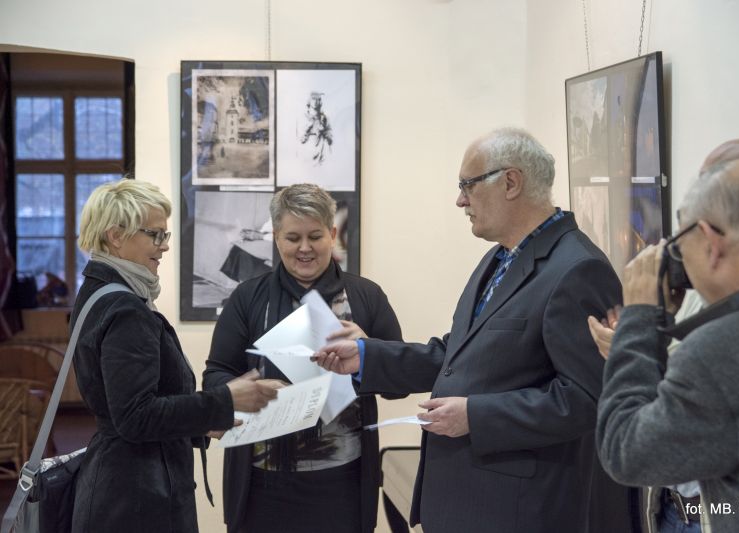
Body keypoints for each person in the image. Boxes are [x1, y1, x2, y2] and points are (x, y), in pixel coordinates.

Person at [314, 127, 635, 533]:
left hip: (515, 512)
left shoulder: (577, 269)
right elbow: (457, 356)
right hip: (466, 501)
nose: (460, 200)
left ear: (511, 182)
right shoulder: (500, 258)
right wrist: (367, 357)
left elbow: (588, 400)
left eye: (468, 185)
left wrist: (477, 416)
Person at [587, 137, 739, 533]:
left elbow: (625, 451)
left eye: (683, 242)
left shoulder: (722, 349)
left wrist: (639, 320)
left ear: (711, 242)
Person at [71, 178, 280, 533]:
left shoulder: (98, 293)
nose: (165, 246)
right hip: (138, 499)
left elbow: (130, 408)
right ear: (116, 236)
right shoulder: (125, 308)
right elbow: (135, 417)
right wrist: (224, 399)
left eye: (164, 234)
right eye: (155, 235)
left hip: (123, 487)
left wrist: (203, 422)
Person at [202, 183, 403, 533]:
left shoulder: (366, 296)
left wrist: (369, 352)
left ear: (333, 234)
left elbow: (399, 385)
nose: (304, 248)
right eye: (293, 238)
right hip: (261, 485)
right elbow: (216, 373)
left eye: (315, 236)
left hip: (343, 482)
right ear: (277, 237)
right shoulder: (248, 297)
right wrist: (247, 391)